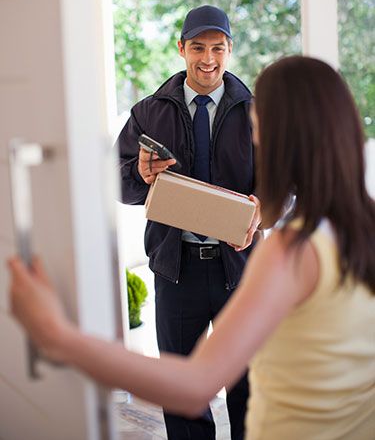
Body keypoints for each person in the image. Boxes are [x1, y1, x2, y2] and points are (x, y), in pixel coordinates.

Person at [8, 56, 375, 440]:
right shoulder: (363, 228)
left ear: (282, 131)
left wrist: (55, 335)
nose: (252, 133)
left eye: (258, 119)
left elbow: (195, 384)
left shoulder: (290, 252)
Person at [114, 5, 261, 440]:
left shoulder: (257, 112)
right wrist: (140, 175)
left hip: (241, 268)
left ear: (230, 50)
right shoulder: (147, 112)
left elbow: (285, 188)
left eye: (218, 48)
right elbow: (116, 184)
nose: (208, 59)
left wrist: (262, 209)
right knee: (182, 391)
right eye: (198, 47)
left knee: (248, 387)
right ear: (181, 48)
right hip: (176, 270)